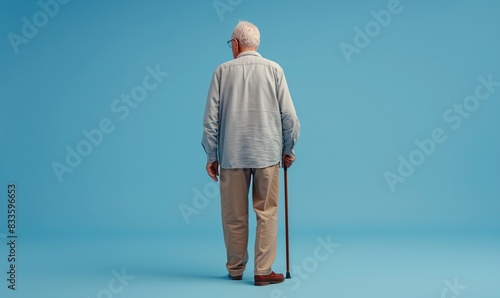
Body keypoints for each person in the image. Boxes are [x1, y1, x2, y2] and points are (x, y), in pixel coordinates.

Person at [201, 21, 300, 286]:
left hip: (232, 155)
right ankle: (263, 271)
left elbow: (210, 120)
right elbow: (289, 117)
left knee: (234, 216)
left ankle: (235, 269)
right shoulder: (274, 69)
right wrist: (288, 149)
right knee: (266, 212)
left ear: (235, 44)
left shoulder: (222, 71)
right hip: (267, 154)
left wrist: (212, 155)